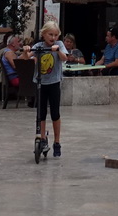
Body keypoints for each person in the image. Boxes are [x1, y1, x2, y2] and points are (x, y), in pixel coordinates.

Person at [31, 21, 69, 158]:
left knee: (55, 113)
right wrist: (25, 51)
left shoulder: (59, 45)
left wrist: (57, 50)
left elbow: (65, 58)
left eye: (55, 35)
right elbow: (26, 57)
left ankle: (57, 142)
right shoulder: (39, 46)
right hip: (41, 83)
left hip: (54, 83)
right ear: (43, 34)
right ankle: (42, 138)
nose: (53, 37)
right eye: (50, 34)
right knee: (41, 113)